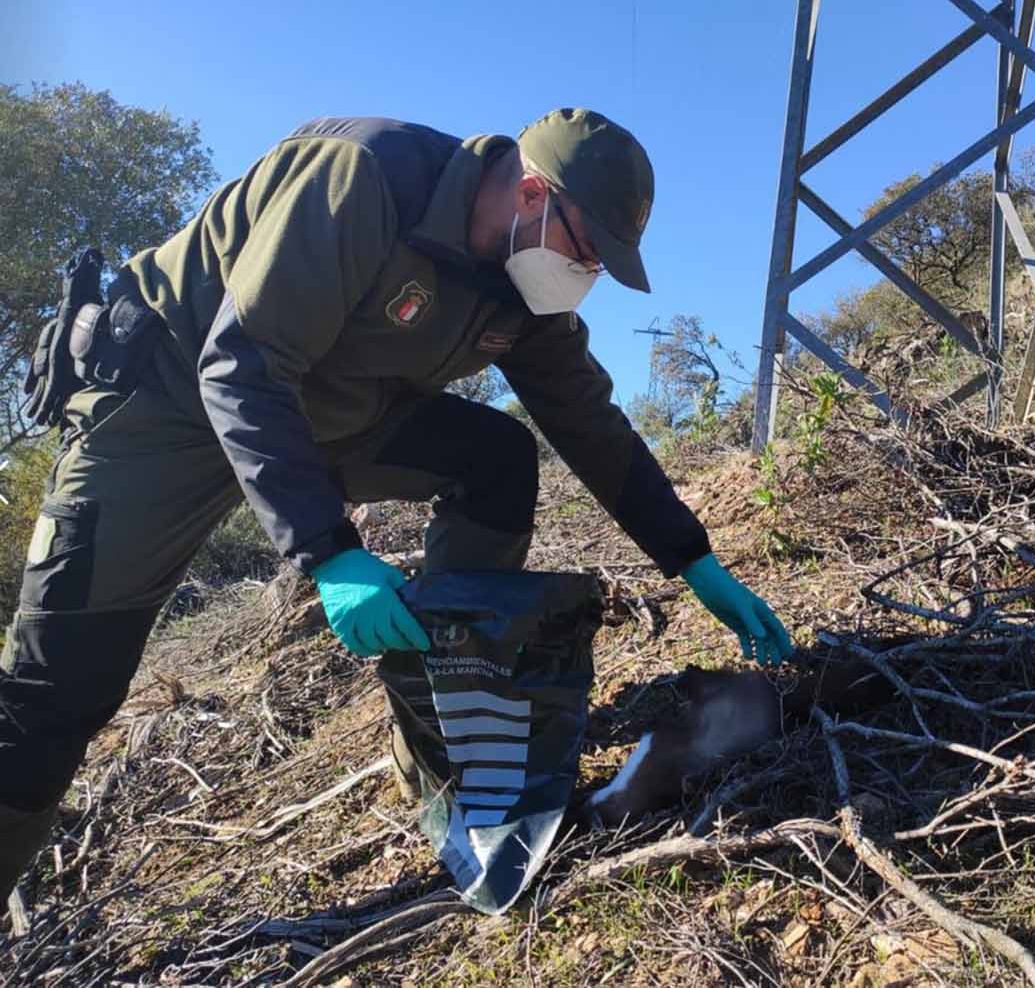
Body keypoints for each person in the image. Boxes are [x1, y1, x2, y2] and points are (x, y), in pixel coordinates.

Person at [0, 108, 793, 909]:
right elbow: (240, 367)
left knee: (496, 460)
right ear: (528, 194)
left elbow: (588, 422)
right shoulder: (364, 180)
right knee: (54, 692)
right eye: (584, 251)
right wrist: (331, 552)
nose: (584, 275)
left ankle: (440, 737)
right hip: (164, 404)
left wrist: (692, 558)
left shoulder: (522, 290)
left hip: (322, 413)